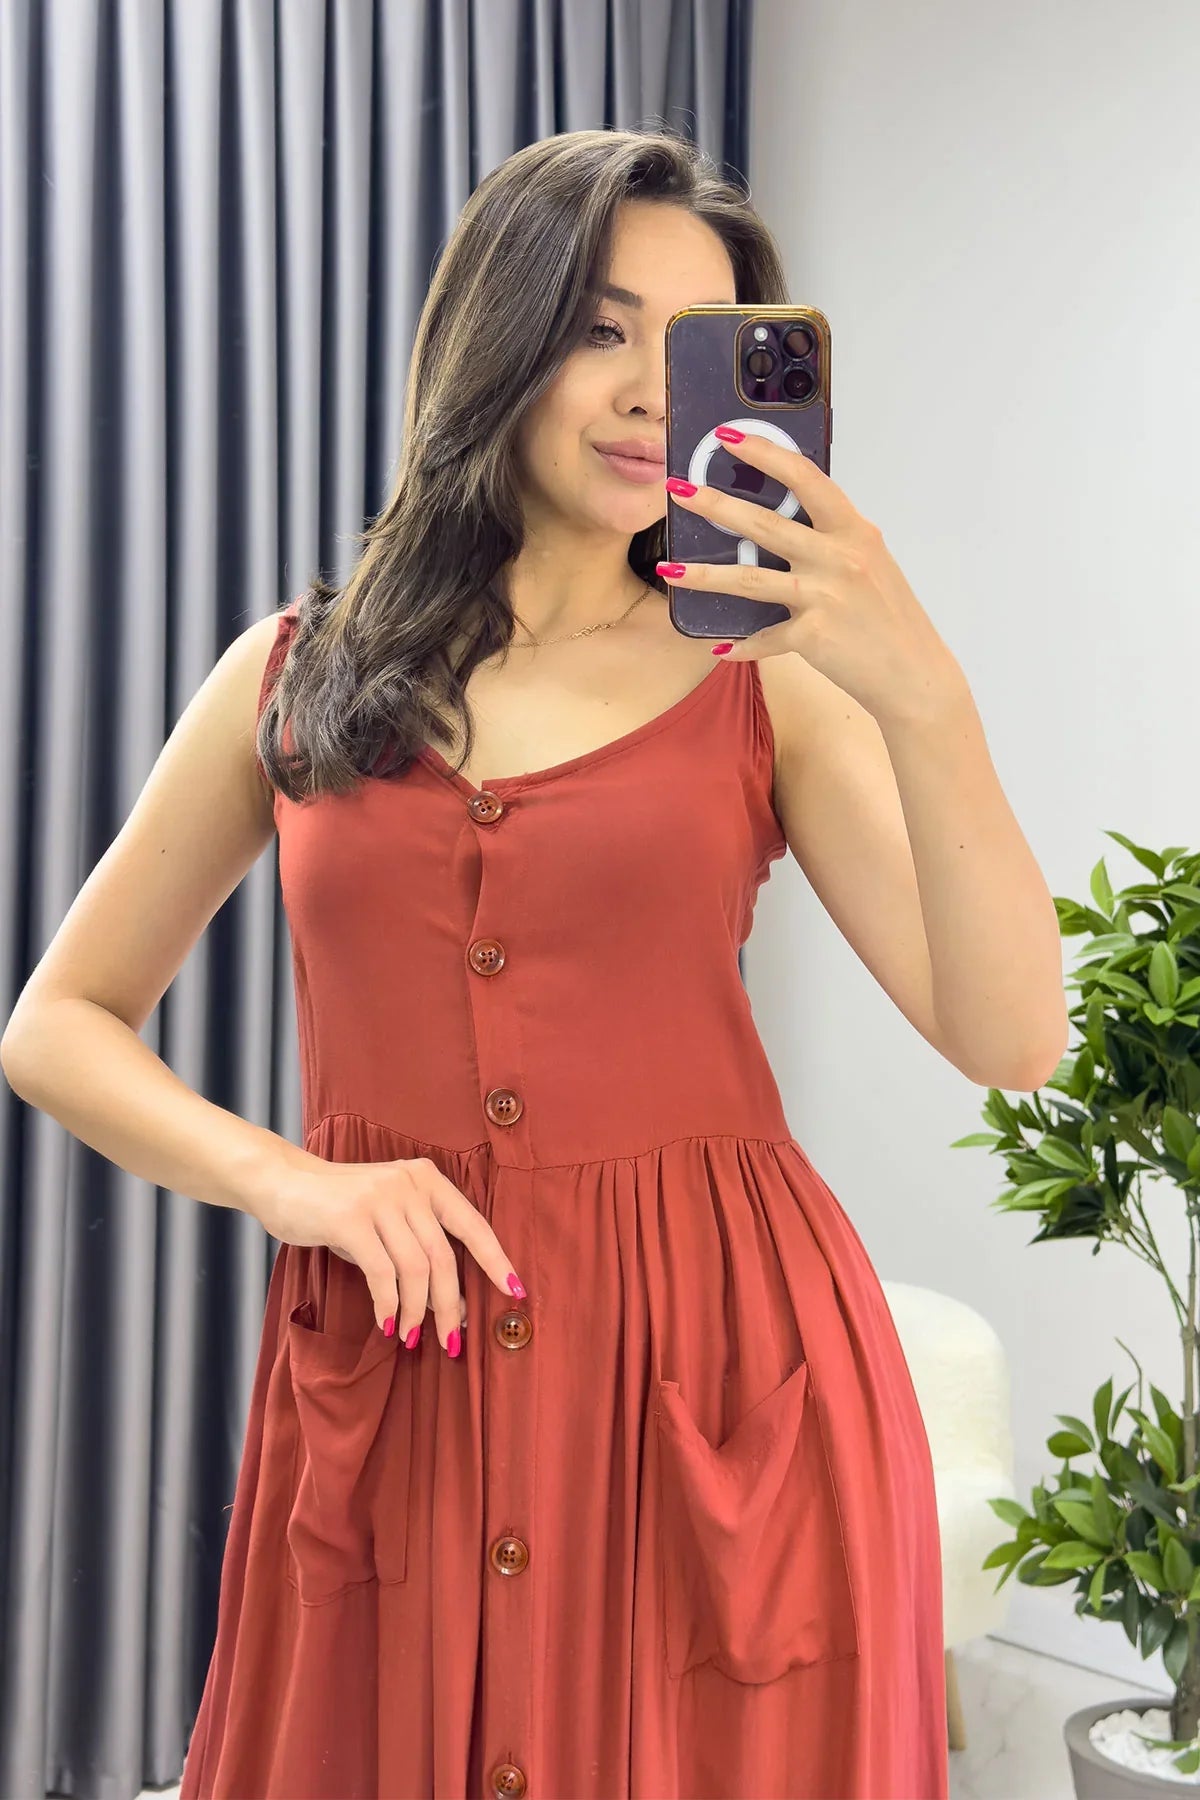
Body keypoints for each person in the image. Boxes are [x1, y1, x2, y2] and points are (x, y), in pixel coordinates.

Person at [6, 124, 1065, 1798]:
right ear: (497, 333)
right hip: (399, 1357)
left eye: (693, 342)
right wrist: (294, 1183)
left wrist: (922, 690)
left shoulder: (767, 682)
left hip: (714, 1366)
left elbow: (1012, 1038)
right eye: (600, 328)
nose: (650, 392)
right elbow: (59, 1023)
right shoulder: (294, 675)